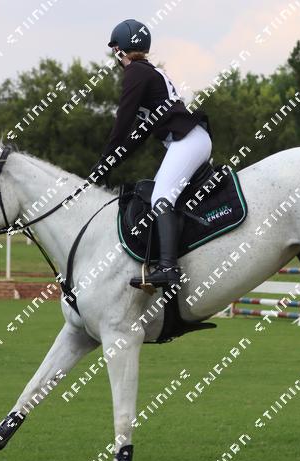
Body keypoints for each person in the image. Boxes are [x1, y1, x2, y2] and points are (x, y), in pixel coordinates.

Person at [90, 18, 212, 289]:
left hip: (188, 141)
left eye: (115, 51)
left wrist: (104, 160)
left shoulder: (135, 72)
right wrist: (110, 162)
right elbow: (137, 135)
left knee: (160, 196)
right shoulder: (149, 73)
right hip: (191, 140)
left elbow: (123, 122)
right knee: (163, 198)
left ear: (119, 50)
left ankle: (169, 269)